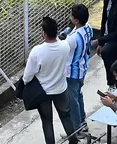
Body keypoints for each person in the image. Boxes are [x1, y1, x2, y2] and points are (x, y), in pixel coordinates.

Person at [21, 15, 77, 144]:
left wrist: (24, 84)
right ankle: (73, 141)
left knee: (47, 122)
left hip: (44, 92)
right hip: (61, 89)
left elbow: (28, 75)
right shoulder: (65, 46)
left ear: (44, 33)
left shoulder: (37, 51)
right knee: (66, 116)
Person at [65, 5, 93, 132]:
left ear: (76, 20)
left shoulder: (73, 39)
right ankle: (82, 122)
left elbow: (64, 50)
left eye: (71, 15)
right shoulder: (88, 28)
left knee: (73, 101)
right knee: (78, 96)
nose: (70, 17)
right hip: (82, 69)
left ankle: (76, 130)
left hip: (72, 73)